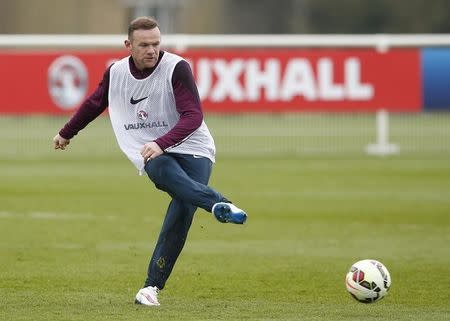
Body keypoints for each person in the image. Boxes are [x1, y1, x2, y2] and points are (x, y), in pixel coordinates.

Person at [53, 16, 247, 306]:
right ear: (128, 45)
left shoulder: (176, 68)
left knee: (182, 207)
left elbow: (193, 116)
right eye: (144, 45)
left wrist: (160, 142)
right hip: (154, 152)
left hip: (194, 147)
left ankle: (150, 288)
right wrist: (66, 133)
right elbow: (95, 103)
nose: (152, 50)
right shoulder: (116, 73)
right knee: (158, 167)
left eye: (156, 43)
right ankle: (218, 203)